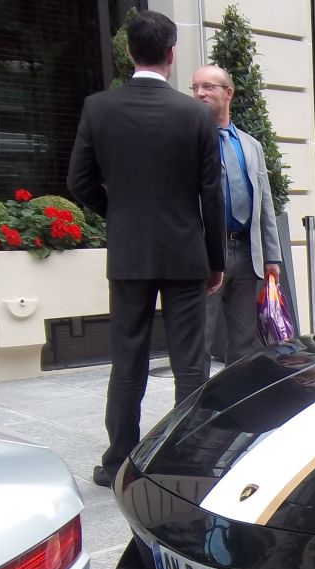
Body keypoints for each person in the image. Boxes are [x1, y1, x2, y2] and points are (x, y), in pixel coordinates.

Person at [67, 11, 225, 488]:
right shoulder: (196, 113)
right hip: (183, 253)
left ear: (129, 52)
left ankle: (118, 459)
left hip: (130, 254)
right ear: (172, 54)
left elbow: (79, 182)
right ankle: (188, 456)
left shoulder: (98, 108)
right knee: (190, 363)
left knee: (128, 359)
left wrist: (119, 216)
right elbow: (211, 193)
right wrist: (215, 260)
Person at [190, 65, 282, 366]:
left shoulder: (251, 146)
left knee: (243, 342)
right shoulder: (188, 140)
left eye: (208, 87)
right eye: (196, 88)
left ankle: (237, 405)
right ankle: (197, 407)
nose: (200, 93)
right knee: (198, 339)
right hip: (204, 253)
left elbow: (264, 204)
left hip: (246, 252)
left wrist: (273, 257)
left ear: (228, 93)